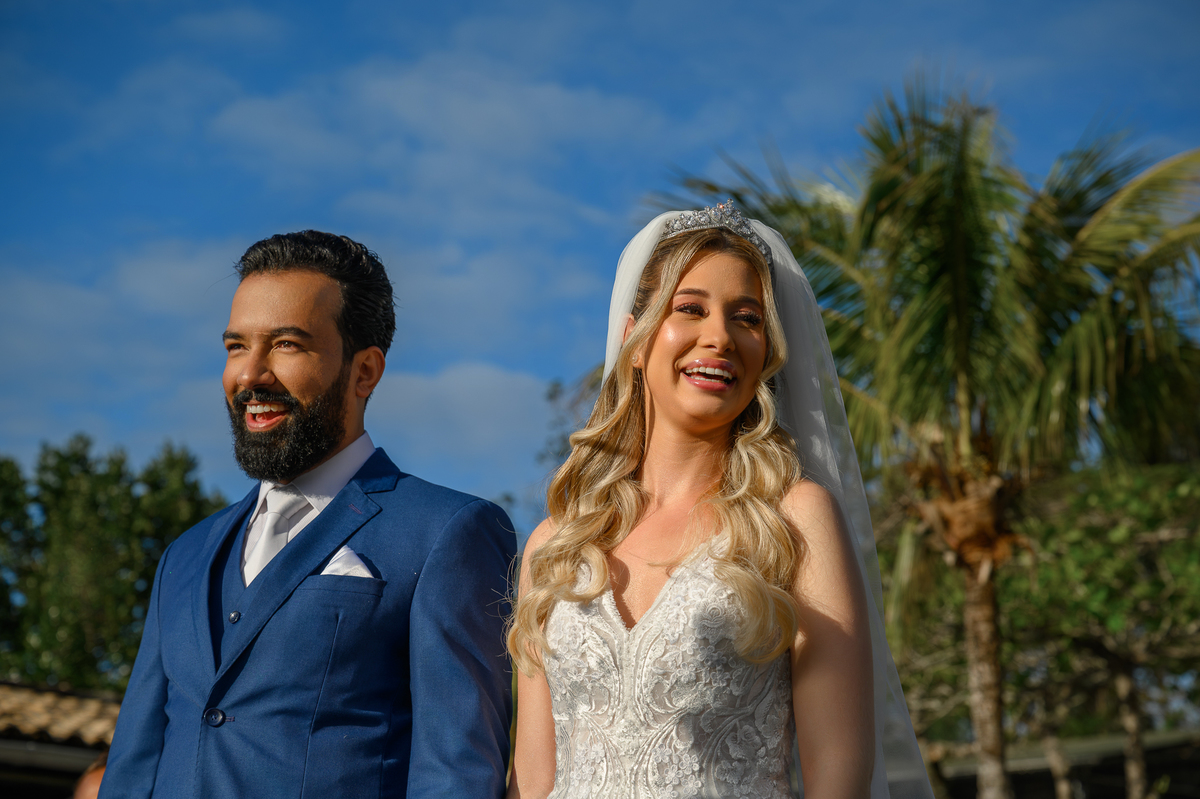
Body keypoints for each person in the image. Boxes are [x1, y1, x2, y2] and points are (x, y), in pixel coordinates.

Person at [507, 204, 934, 798]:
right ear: (634, 338)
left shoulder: (795, 520)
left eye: (748, 319)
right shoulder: (554, 548)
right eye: (691, 309)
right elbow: (531, 778)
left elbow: (839, 772)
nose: (720, 337)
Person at [100, 231, 516, 799]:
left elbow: (457, 774)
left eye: (287, 345)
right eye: (235, 346)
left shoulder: (448, 532)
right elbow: (134, 765)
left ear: (365, 371)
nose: (250, 375)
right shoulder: (185, 556)